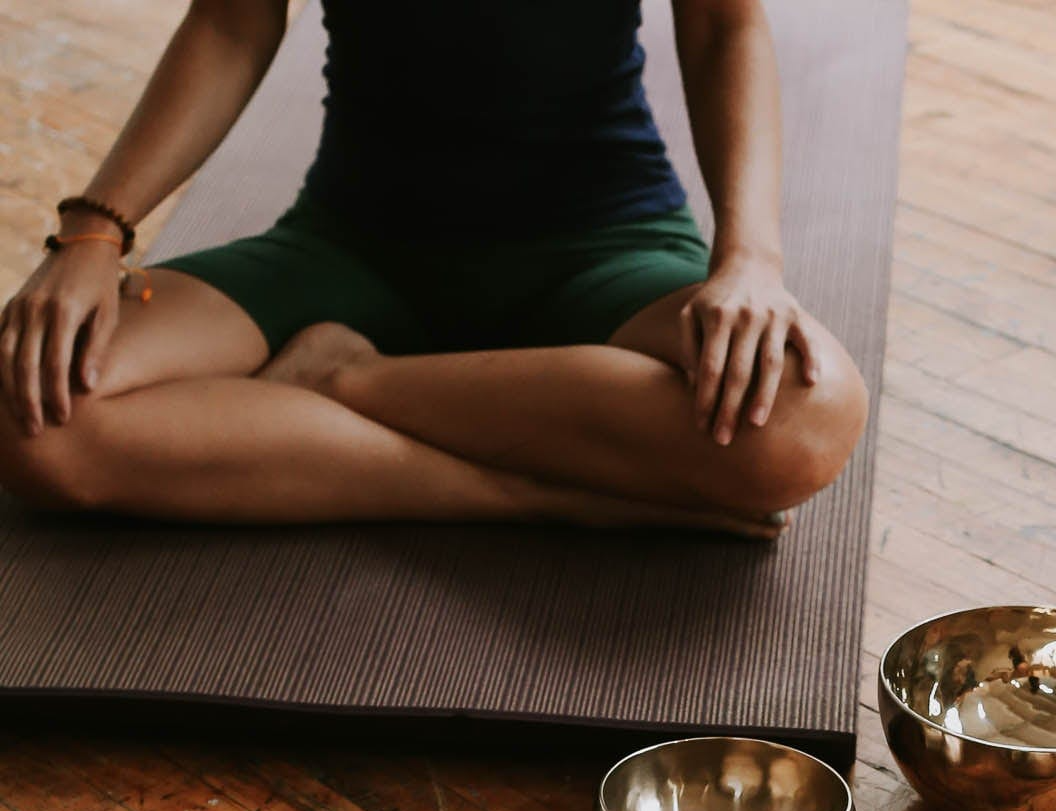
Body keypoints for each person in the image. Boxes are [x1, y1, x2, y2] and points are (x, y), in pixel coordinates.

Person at [0, 0, 867, 538]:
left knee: (806, 417)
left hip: (606, 243)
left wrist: (749, 260)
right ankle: (525, 493)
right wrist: (94, 233)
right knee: (35, 416)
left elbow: (724, 25)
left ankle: (344, 381)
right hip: (351, 245)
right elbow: (232, 20)